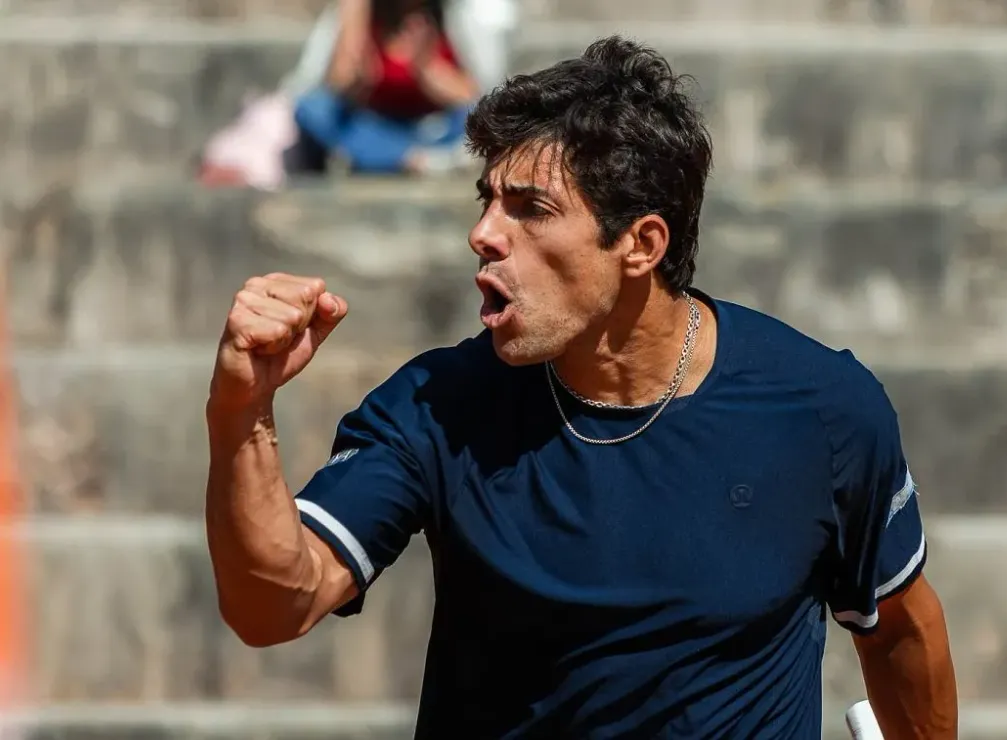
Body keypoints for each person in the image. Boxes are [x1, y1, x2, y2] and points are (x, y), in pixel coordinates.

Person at [205, 36, 958, 739]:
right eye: (488, 199)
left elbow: (899, 629)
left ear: (641, 244)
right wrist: (242, 413)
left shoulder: (823, 410)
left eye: (531, 208)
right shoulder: (438, 406)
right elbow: (276, 603)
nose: (485, 233)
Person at [286, 0, 479, 175]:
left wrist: (426, 69)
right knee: (314, 108)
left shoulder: (456, 15)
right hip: (373, 128)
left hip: (433, 131)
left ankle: (396, 159)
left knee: (475, 115)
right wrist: (354, 17)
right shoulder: (360, 17)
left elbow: (472, 96)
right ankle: (409, 160)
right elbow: (339, 84)